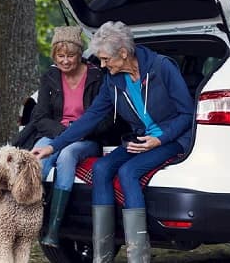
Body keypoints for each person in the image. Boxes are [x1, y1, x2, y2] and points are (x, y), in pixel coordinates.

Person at [32, 21, 194, 263]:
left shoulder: (162, 68)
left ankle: (138, 256)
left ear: (124, 53)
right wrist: (54, 146)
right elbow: (90, 118)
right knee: (101, 167)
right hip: (140, 138)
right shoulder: (113, 80)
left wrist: (159, 140)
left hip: (173, 137)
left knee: (128, 171)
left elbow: (187, 114)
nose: (103, 64)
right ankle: (103, 255)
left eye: (107, 59)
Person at [31, 26, 112, 248]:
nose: (65, 61)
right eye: (60, 56)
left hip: (87, 137)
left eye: (70, 56)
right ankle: (34, 220)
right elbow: (39, 117)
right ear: (54, 56)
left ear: (80, 54)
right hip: (57, 132)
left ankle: (54, 230)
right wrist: (64, 133)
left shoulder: (97, 76)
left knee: (67, 155)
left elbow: (104, 119)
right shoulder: (50, 76)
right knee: (35, 159)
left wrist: (77, 132)